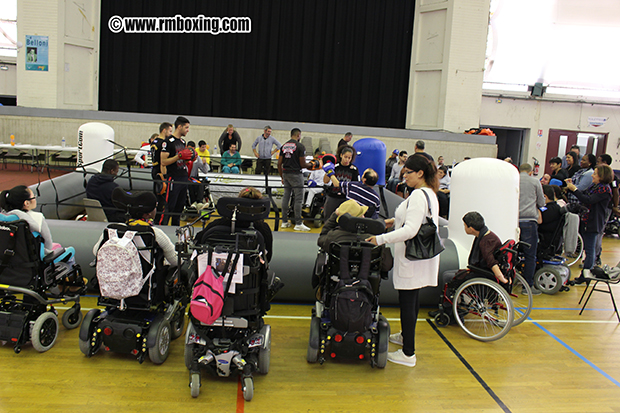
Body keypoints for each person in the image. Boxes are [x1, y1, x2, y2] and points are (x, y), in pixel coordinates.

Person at [366, 154, 441, 368]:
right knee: (413, 301)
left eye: (407, 172)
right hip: (420, 258)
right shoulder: (429, 193)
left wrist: (380, 239)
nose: (404, 176)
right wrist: (393, 221)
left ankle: (408, 353)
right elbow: (414, 220)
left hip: (411, 257)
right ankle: (406, 337)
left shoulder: (418, 195)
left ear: (420, 173)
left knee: (408, 303)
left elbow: (410, 230)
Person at [92, 189, 177, 267]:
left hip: (115, 280)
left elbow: (96, 251)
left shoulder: (113, 230)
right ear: (149, 214)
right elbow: (176, 261)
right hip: (145, 280)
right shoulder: (154, 233)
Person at [195, 187, 274, 263]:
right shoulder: (263, 228)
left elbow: (198, 241)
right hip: (251, 272)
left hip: (213, 272)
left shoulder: (216, 224)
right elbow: (268, 257)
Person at [565, 164, 614, 284]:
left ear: (602, 176)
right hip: (587, 220)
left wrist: (574, 189)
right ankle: (585, 274)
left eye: (595, 173)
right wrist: (574, 186)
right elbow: (584, 195)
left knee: (590, 250)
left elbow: (588, 200)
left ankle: (585, 275)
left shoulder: (604, 189)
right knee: (588, 248)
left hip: (594, 222)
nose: (592, 175)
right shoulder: (596, 186)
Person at [278, 128, 317, 231]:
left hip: (286, 173)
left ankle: (284, 222)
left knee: (286, 197)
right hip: (296, 174)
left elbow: (279, 164)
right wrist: (313, 164)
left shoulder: (284, 146)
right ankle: (298, 223)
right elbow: (303, 164)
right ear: (298, 135)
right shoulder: (300, 146)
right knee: (299, 199)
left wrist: (282, 176)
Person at [161, 116, 195, 226]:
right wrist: (178, 156)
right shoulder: (168, 142)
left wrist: (190, 159)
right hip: (173, 178)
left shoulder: (182, 142)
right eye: (186, 127)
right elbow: (163, 161)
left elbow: (182, 160)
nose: (188, 130)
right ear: (179, 127)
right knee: (169, 206)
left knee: (179, 208)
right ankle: (162, 229)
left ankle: (175, 231)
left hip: (183, 178)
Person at [1, 185, 55, 254]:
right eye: (34, 197)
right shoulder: (38, 217)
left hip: (8, 258)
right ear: (26, 203)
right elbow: (48, 244)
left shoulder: (4, 218)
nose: (35, 198)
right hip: (33, 259)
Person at [518, 163, 545, 295]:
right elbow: (541, 202)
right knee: (530, 255)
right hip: (529, 221)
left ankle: (509, 283)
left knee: (511, 252)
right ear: (530, 172)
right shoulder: (535, 182)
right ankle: (527, 286)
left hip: (513, 220)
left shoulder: (514, 180)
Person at [461, 212, 509, 284]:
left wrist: (502, 279)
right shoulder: (488, 235)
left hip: (484, 274)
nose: (464, 227)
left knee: (447, 276)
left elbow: (491, 262)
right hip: (484, 271)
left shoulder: (485, 242)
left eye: (464, 225)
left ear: (471, 229)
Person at [322, 145, 360, 220]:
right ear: (341, 155)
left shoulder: (354, 170)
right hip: (333, 196)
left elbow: (356, 185)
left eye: (349, 158)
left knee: (343, 220)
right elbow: (325, 181)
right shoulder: (335, 167)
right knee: (328, 218)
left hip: (345, 198)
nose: (347, 160)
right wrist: (328, 171)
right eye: (345, 157)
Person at [151, 122, 173, 222]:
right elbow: (162, 161)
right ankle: (159, 220)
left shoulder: (154, 141)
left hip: (154, 170)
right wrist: (164, 175)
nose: (171, 133)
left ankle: (155, 218)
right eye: (170, 131)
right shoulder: (162, 143)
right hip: (160, 172)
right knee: (162, 199)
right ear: (164, 130)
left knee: (157, 197)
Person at [538, 185, 564, 252]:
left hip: (544, 241)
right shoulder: (556, 207)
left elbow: (539, 221)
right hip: (549, 240)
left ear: (544, 197)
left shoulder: (548, 210)